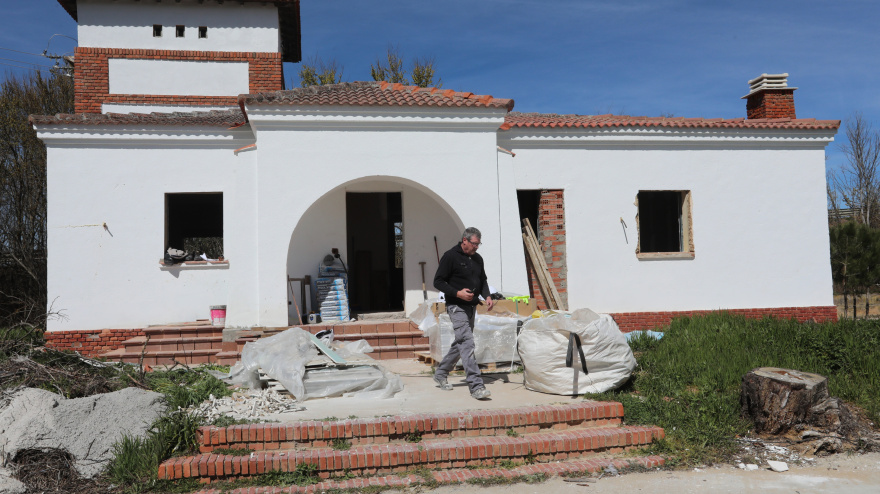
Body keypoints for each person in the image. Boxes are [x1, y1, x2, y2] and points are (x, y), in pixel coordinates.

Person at [432, 227, 495, 400]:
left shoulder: (478, 259)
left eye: (478, 244)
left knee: (461, 342)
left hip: (471, 307)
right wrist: (457, 293)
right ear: (464, 240)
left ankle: (441, 373)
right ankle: (476, 386)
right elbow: (438, 281)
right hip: (456, 306)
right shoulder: (450, 256)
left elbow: (483, 280)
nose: (476, 247)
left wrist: (487, 295)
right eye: (474, 244)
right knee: (467, 342)